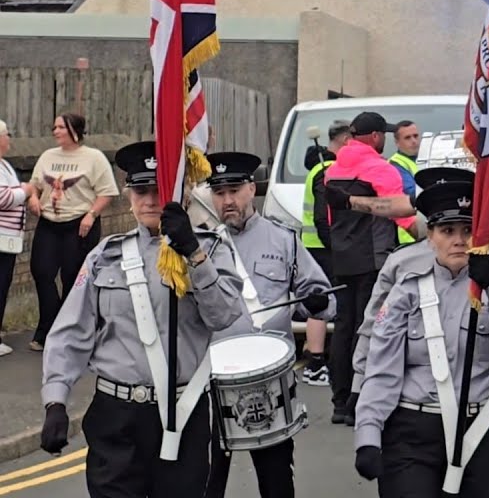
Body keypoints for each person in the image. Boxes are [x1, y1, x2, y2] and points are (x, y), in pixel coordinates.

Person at [39, 140, 245, 496]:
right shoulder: (105, 255)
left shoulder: (211, 249)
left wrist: (193, 253)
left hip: (183, 413)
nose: (150, 200)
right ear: (128, 194)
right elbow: (72, 332)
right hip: (116, 415)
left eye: (159, 189)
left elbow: (224, 315)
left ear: (181, 192)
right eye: (141, 190)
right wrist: (56, 399)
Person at [352, 179, 489, 497]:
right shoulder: (407, 291)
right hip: (414, 429)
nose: (458, 240)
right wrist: (368, 435)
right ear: (431, 237)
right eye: (447, 231)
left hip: (482, 427)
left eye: (467, 231)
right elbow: (382, 370)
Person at [201, 152, 336, 498]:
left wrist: (315, 301)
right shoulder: (202, 245)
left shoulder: (283, 239)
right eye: (219, 193)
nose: (228, 200)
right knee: (206, 481)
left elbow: (322, 297)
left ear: (251, 189)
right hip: (214, 379)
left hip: (268, 382)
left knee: (276, 482)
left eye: (235, 190)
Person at [322, 111, 417, 425]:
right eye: (384, 135)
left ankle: (339, 401)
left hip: (343, 257)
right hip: (374, 259)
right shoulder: (382, 169)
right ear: (376, 137)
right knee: (371, 331)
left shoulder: (332, 170)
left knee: (344, 327)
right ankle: (358, 402)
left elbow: (329, 219)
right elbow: (401, 214)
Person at [26, 113, 120, 352]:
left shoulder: (93, 158)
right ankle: (49, 325)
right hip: (49, 223)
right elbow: (34, 185)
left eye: (60, 127)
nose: (55, 131)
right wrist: (34, 198)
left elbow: (107, 191)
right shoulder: (48, 156)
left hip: (79, 224)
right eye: (54, 126)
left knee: (72, 278)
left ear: (74, 130)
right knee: (42, 272)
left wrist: (92, 214)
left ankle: (69, 331)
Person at [299, 120, 352, 386]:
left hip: (314, 246)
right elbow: (323, 217)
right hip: (323, 247)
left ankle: (314, 357)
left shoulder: (319, 167)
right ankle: (317, 364)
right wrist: (337, 246)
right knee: (324, 303)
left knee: (318, 302)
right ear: (344, 142)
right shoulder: (327, 169)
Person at [0, 119, 33, 358]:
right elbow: (3, 199)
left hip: (7, 239)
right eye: (7, 134)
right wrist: (26, 191)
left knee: (3, 286)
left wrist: (18, 188)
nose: (9, 138)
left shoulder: (5, 165)